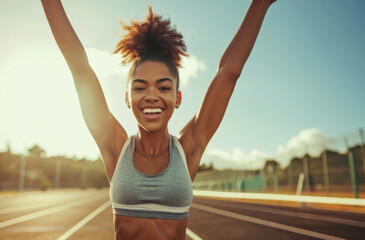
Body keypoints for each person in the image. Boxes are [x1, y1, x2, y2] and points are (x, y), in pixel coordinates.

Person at [41, 0, 276, 239]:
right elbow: (79, 68)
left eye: (163, 88)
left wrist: (260, 5)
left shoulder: (188, 148)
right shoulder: (116, 147)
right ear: (127, 97)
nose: (152, 96)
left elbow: (229, 72)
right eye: (140, 88)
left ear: (178, 98)